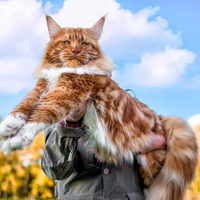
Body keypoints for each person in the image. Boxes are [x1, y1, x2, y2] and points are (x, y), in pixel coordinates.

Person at [41, 101, 166, 200]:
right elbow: (55, 171)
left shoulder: (132, 107)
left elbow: (163, 170)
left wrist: (160, 142)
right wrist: (70, 122)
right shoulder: (57, 110)